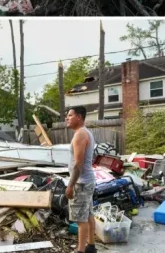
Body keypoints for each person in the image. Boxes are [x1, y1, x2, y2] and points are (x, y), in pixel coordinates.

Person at [65, 106, 97, 253]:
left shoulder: (80, 135)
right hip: (87, 181)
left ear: (79, 117)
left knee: (80, 219)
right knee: (88, 214)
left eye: (70, 115)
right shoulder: (85, 133)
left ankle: (81, 250)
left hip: (81, 182)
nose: (67, 118)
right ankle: (91, 246)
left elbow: (79, 164)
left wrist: (70, 185)